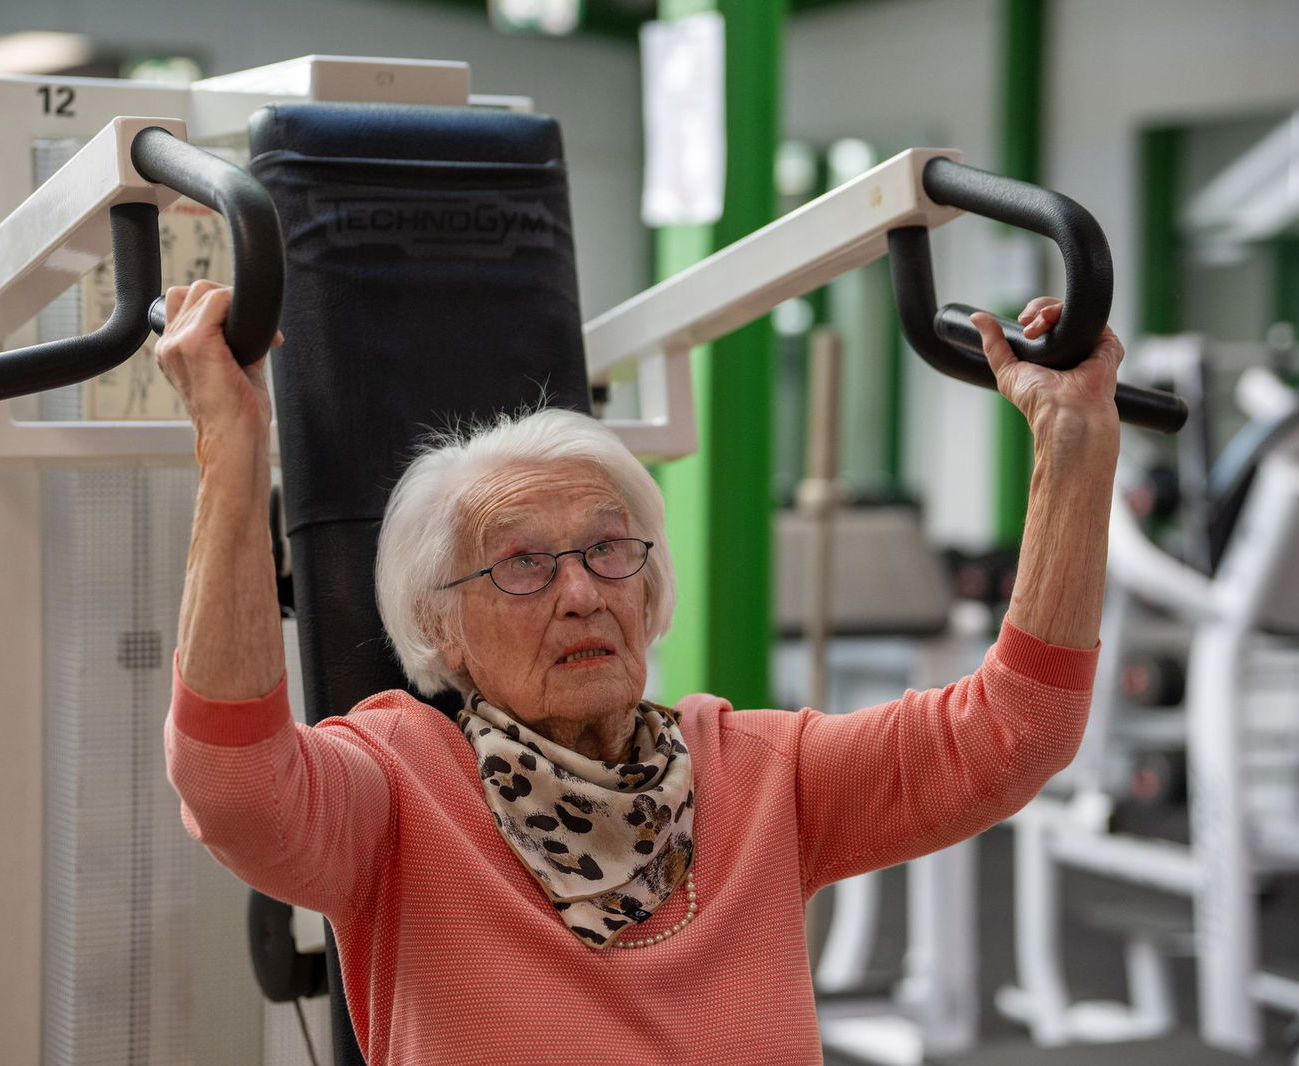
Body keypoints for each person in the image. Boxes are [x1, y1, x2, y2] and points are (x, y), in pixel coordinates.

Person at [159, 278, 1119, 1065]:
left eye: (609, 550)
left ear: (649, 585)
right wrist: (232, 447)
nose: (582, 593)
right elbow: (235, 786)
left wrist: (1073, 443)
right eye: (522, 564)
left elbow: (1017, 731)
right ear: (442, 629)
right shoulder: (401, 788)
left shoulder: (760, 775)